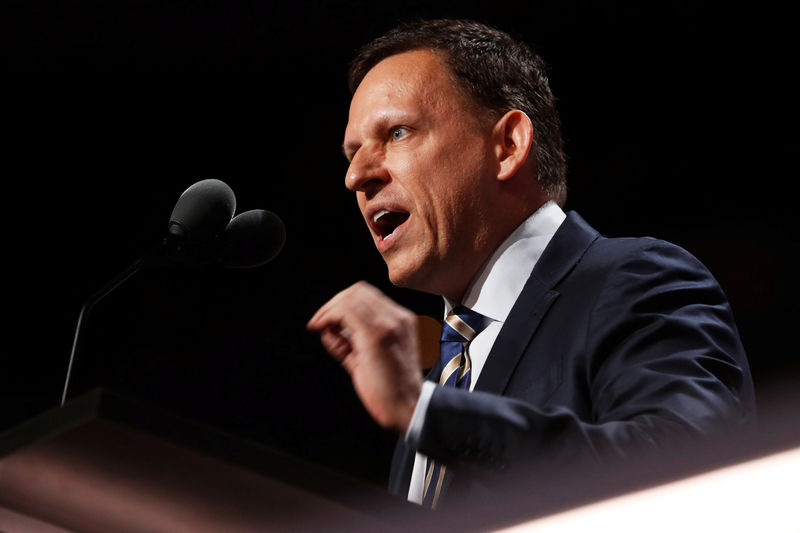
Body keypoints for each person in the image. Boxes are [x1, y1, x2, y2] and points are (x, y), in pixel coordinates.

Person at [306, 19, 755, 509]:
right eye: (351, 154)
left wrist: (424, 413)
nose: (356, 176)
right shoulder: (443, 373)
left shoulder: (635, 280)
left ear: (508, 146)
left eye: (397, 132)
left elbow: (686, 472)